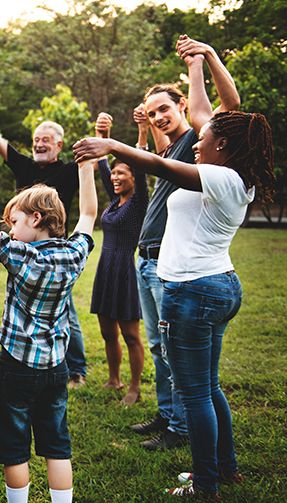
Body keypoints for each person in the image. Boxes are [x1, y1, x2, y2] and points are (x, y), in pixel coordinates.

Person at [73, 40, 275, 500]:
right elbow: (198, 123)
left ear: (221, 145)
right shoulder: (230, 174)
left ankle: (205, 485)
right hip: (215, 285)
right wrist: (198, 62)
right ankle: (227, 469)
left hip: (194, 291)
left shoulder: (221, 176)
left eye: (203, 141)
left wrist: (113, 143)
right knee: (209, 387)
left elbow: (161, 163)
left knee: (197, 394)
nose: (196, 145)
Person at [0, 148, 98, 503]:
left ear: (36, 218)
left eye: (14, 222)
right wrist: (87, 167)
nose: (10, 229)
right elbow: (89, 212)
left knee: (15, 446)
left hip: (17, 365)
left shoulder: (19, 254)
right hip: (57, 366)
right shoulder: (75, 253)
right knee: (57, 445)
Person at [129, 35, 241, 452]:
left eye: (165, 109)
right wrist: (145, 125)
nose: (159, 116)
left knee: (185, 367)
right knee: (162, 349)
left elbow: (220, 112)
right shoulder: (188, 148)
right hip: (153, 259)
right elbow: (162, 149)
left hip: (183, 274)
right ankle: (169, 414)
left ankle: (182, 431)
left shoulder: (200, 147)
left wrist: (202, 59)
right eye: (152, 110)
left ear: (182, 109)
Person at [0, 103, 88, 389]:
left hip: (55, 251)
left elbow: (91, 188)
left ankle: (76, 369)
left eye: (45, 140)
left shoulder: (69, 171)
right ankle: (26, 355)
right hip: (23, 248)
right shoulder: (25, 166)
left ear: (59, 144)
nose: (39, 144)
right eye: (36, 140)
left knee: (65, 309)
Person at [89, 112, 149, 406]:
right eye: (113, 174)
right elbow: (101, 165)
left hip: (125, 268)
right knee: (106, 331)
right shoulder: (115, 201)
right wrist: (103, 134)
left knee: (130, 334)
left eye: (121, 173)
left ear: (134, 178)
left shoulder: (139, 202)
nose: (114, 177)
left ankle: (135, 388)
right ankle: (114, 379)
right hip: (105, 268)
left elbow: (140, 162)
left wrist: (141, 132)